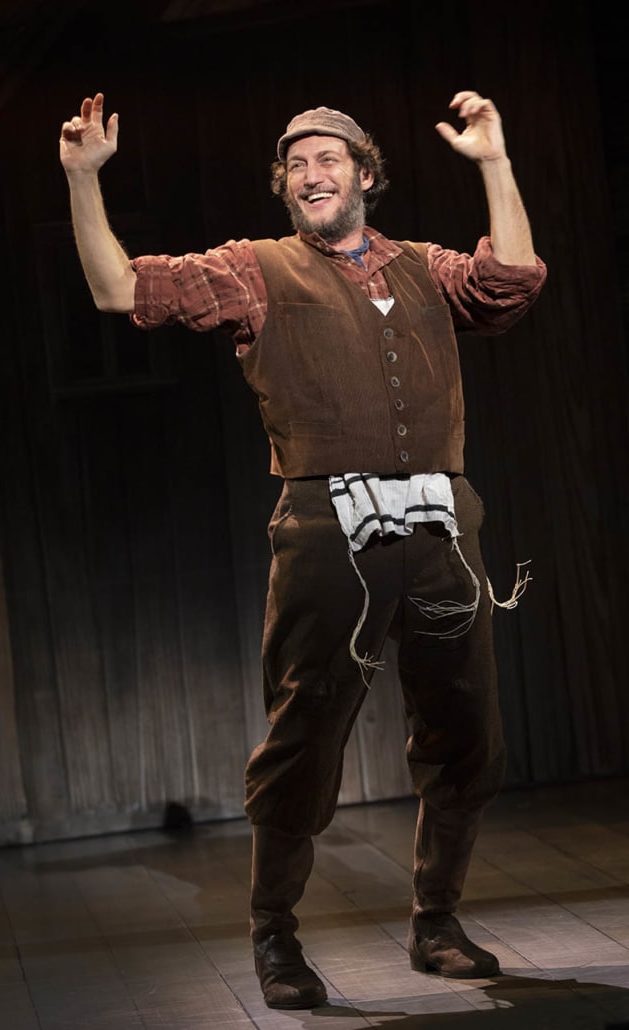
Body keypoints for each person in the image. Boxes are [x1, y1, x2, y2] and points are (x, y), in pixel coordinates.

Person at [59, 89, 546, 1010]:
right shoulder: (257, 268)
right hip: (328, 527)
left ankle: (435, 920)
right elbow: (119, 288)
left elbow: (511, 284)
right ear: (283, 186)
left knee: (469, 735)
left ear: (365, 174)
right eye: (295, 165)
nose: (311, 174)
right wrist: (84, 181)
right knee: (305, 736)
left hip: (443, 522)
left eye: (329, 159)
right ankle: (275, 936)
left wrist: (493, 162)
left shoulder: (423, 265)